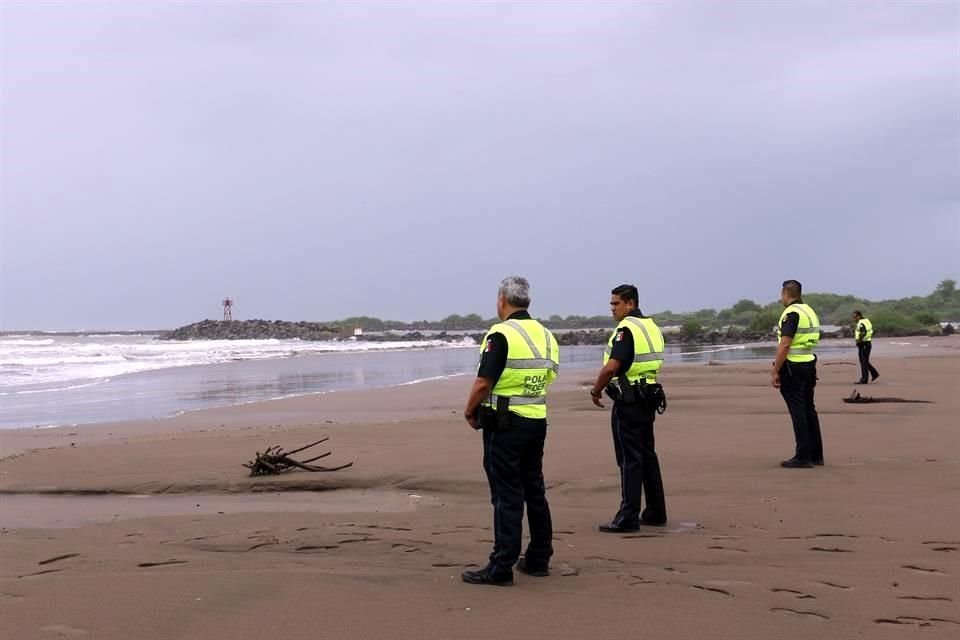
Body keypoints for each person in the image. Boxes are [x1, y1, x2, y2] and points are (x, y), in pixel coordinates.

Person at [461, 276, 560, 586]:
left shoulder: (501, 334)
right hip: (536, 419)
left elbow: (483, 382)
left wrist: (469, 410)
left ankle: (501, 565)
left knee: (506, 495)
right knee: (534, 490)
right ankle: (539, 557)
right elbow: (550, 375)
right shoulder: (546, 335)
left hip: (505, 424)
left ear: (501, 300)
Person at [589, 284, 667, 533]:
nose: (612, 308)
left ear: (630, 303)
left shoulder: (626, 330)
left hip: (630, 400)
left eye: (616, 303)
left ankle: (628, 516)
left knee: (630, 459)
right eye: (611, 304)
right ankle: (656, 511)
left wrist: (596, 389)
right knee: (647, 456)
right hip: (648, 397)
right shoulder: (651, 327)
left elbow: (612, 367)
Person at [771, 280, 824, 468]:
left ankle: (803, 456)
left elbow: (785, 344)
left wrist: (775, 370)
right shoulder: (809, 311)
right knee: (809, 409)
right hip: (809, 364)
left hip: (793, 367)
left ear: (786, 293)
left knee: (798, 411)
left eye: (781, 294)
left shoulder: (791, 313)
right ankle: (816, 455)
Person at [852, 310, 879, 384]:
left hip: (863, 344)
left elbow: (863, 332)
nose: (853, 319)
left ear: (859, 316)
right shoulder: (866, 321)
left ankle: (864, 379)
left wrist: (859, 340)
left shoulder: (861, 323)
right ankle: (874, 374)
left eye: (854, 317)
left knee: (863, 362)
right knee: (865, 361)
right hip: (867, 343)